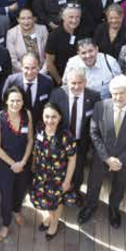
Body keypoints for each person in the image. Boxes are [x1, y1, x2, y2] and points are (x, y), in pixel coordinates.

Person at [81, 75, 126, 228]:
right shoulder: (100, 106)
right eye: (115, 93)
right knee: (94, 183)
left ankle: (114, 209)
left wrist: (120, 160)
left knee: (119, 186)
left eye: (122, 93)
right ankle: (90, 206)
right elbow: (94, 133)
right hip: (102, 157)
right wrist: (107, 158)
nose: (118, 97)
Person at [29, 100, 78, 240]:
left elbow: (72, 159)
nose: (50, 121)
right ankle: (51, 217)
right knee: (44, 200)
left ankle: (54, 223)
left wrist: (67, 181)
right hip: (41, 174)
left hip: (58, 177)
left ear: (60, 117)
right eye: (47, 116)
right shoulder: (39, 128)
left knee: (56, 202)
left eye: (54, 117)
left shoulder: (66, 136)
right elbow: (36, 148)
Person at [0, 88, 33, 242]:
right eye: (12, 100)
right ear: (6, 101)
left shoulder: (27, 115)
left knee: (21, 189)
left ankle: (17, 211)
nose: (16, 104)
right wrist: (13, 164)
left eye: (19, 100)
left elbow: (30, 140)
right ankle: (6, 222)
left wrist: (23, 161)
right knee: (6, 194)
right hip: (5, 163)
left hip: (23, 161)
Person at [44, 4, 85, 85]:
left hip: (80, 79)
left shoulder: (84, 33)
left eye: (77, 17)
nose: (74, 20)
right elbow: (50, 64)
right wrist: (61, 82)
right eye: (71, 17)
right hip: (61, 80)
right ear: (63, 17)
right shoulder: (54, 36)